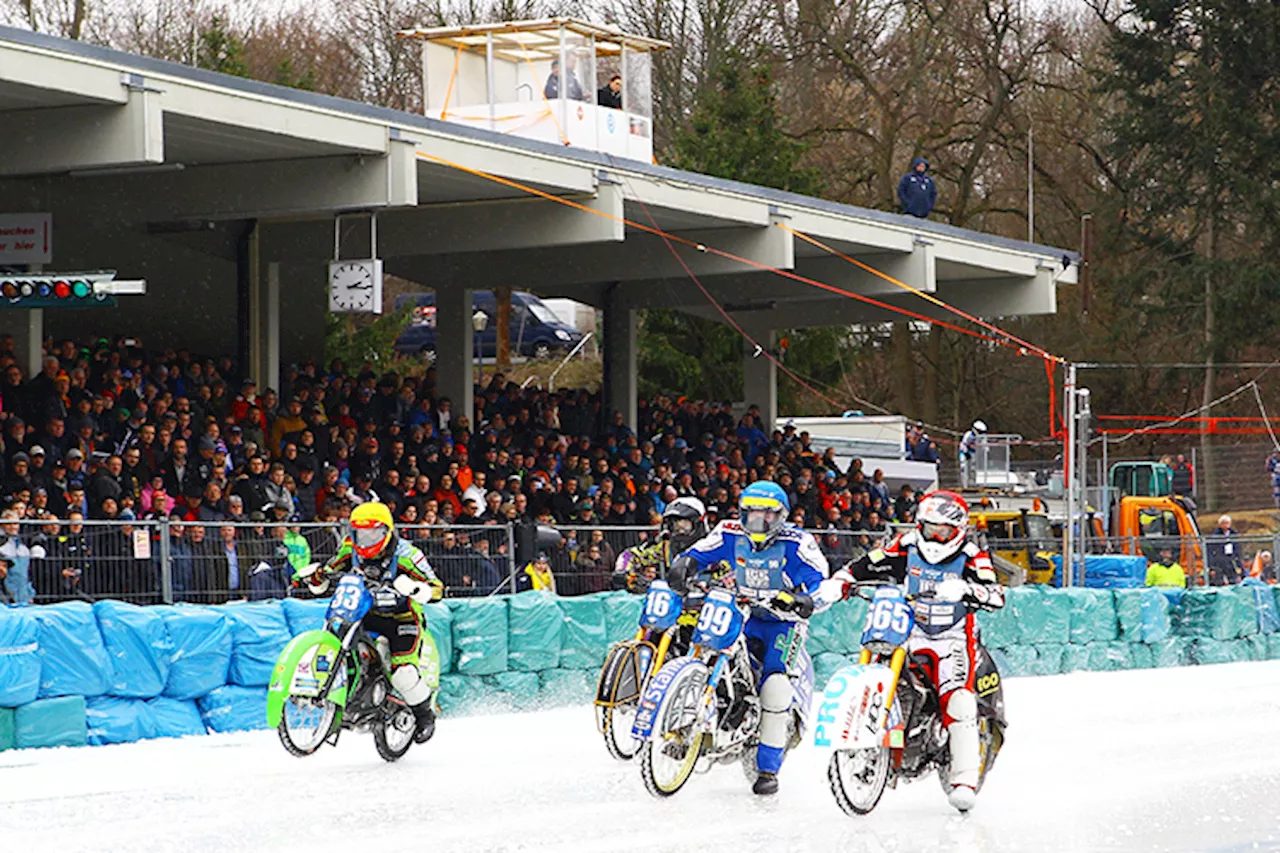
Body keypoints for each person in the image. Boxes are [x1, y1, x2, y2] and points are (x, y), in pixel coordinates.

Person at [829, 490, 1004, 812]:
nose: (935, 537)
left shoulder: (972, 554)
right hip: (908, 628)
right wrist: (841, 579)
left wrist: (966, 588)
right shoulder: (905, 544)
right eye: (929, 528)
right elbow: (870, 563)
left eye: (943, 531)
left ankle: (964, 778)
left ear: (958, 529)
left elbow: (995, 594)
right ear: (919, 524)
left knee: (960, 699)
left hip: (952, 637)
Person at [669, 481, 828, 796]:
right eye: (751, 515)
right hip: (742, 611)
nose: (758, 523)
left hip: (783, 621)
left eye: (766, 517)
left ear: (780, 516)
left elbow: (819, 579)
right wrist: (684, 565)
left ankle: (768, 767)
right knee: (705, 647)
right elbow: (698, 553)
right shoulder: (728, 531)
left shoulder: (799, 542)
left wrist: (805, 600)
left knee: (775, 683)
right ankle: (684, 726)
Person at [297, 501, 444, 743]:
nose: (365, 540)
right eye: (359, 534)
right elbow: (331, 569)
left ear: (387, 531)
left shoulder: (408, 555)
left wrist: (417, 588)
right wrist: (316, 577)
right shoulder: (349, 548)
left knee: (403, 673)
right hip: (363, 613)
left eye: (373, 533)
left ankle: (424, 715)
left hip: (401, 619)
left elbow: (437, 587)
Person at [611, 496, 708, 594]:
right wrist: (624, 573)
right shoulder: (666, 548)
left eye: (684, 525)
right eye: (675, 525)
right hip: (674, 600)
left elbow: (723, 567)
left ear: (699, 524)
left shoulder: (712, 546)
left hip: (709, 600)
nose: (678, 531)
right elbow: (631, 554)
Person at [1206, 514, 1242, 586]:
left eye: (1227, 523)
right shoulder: (1215, 536)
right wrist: (1211, 566)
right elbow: (1210, 550)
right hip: (1219, 560)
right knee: (1218, 580)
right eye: (1223, 523)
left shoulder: (1234, 534)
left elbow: (1238, 550)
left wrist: (1239, 564)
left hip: (1231, 559)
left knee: (1233, 579)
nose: (1225, 525)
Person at [958, 420, 987, 488]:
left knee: (973, 469)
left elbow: (984, 447)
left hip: (974, 454)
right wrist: (966, 452)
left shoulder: (982, 437)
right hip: (965, 454)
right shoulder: (968, 435)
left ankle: (973, 483)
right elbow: (963, 445)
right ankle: (965, 484)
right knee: (964, 468)